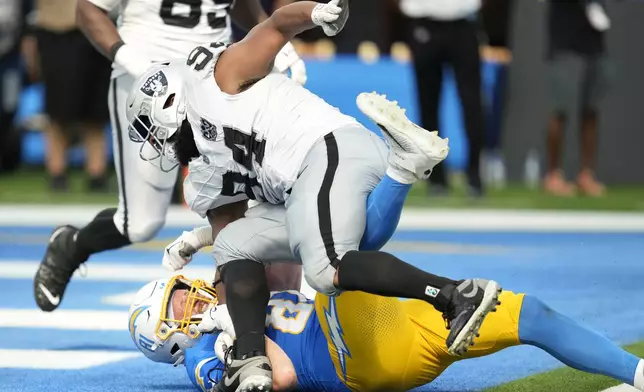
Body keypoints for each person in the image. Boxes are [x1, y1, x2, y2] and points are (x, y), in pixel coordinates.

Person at [125, 2, 503, 390]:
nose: (162, 145)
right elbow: (230, 247)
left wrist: (314, 12)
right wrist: (233, 320)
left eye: (155, 131)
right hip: (309, 183)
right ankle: (250, 360)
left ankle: (452, 294)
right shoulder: (204, 172)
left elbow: (273, 27)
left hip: (326, 148)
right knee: (241, 246)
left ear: (170, 104)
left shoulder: (217, 78)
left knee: (325, 269)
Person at [33, 0, 307, 312]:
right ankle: (72, 246)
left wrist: (271, 33)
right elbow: (88, 10)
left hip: (216, 76)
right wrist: (128, 57)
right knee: (139, 224)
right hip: (148, 82)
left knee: (238, 200)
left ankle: (244, 323)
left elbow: (238, 4)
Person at [128, 274, 644, 392]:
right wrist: (242, 333)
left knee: (531, 314)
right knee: (331, 259)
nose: (190, 299)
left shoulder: (224, 301)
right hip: (344, 353)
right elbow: (279, 378)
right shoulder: (201, 352)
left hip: (396, 326)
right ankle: (399, 172)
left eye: (181, 289)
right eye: (176, 304)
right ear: (167, 337)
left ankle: (638, 373)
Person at [399, 0, 485, 197]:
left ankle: (475, 175)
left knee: (472, 102)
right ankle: (436, 178)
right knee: (428, 103)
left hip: (464, 21)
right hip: (424, 21)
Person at [33, 0, 111, 191]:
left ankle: (96, 173)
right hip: (58, 30)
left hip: (99, 29)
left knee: (96, 112)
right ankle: (57, 172)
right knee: (58, 110)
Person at [543, 0, 613, 197]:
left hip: (594, 43)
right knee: (560, 108)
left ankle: (586, 175)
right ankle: (553, 175)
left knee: (591, 110)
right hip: (563, 42)